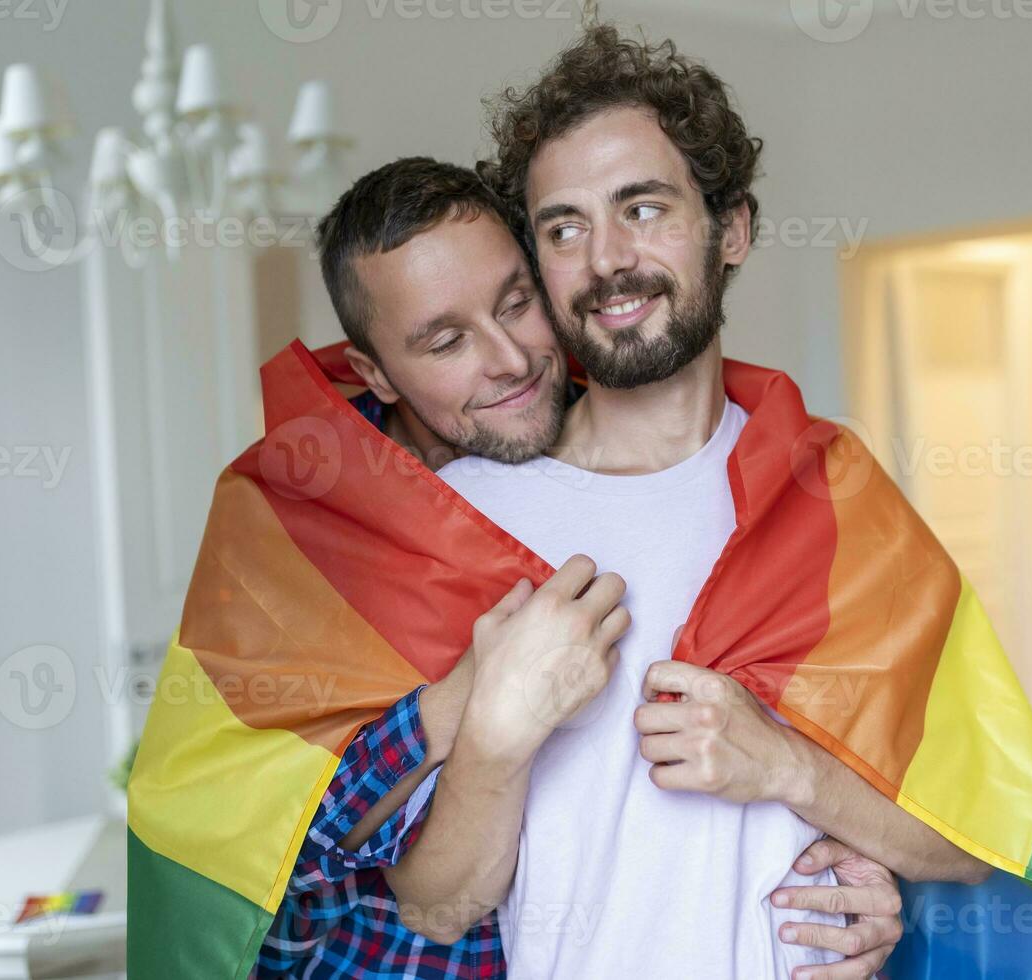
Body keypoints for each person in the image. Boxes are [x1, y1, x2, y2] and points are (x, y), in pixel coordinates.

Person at [379, 27, 989, 980]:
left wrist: (786, 768)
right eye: (564, 227)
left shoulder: (830, 492)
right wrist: (498, 735)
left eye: (644, 208)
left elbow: (975, 833)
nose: (607, 261)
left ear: (731, 228)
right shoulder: (461, 519)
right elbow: (435, 908)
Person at [253, 157, 916, 979]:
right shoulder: (340, 544)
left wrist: (866, 886)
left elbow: (948, 808)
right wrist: (478, 708)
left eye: (516, 303)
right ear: (376, 374)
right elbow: (326, 874)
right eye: (448, 340)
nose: (508, 359)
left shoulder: (785, 477)